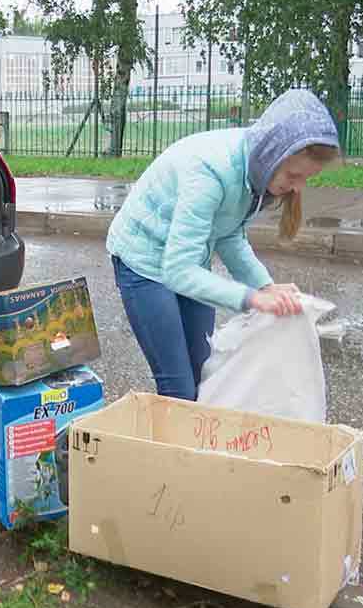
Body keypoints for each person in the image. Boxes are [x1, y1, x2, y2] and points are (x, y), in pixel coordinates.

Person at [106, 88, 340, 402]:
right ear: (272, 154)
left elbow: (229, 235)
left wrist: (266, 286)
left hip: (187, 258)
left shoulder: (253, 170)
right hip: (143, 263)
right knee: (179, 390)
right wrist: (253, 299)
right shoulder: (211, 173)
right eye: (294, 176)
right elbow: (178, 272)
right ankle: (174, 451)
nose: (297, 188)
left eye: (306, 179)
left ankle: (199, 447)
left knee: (207, 375)